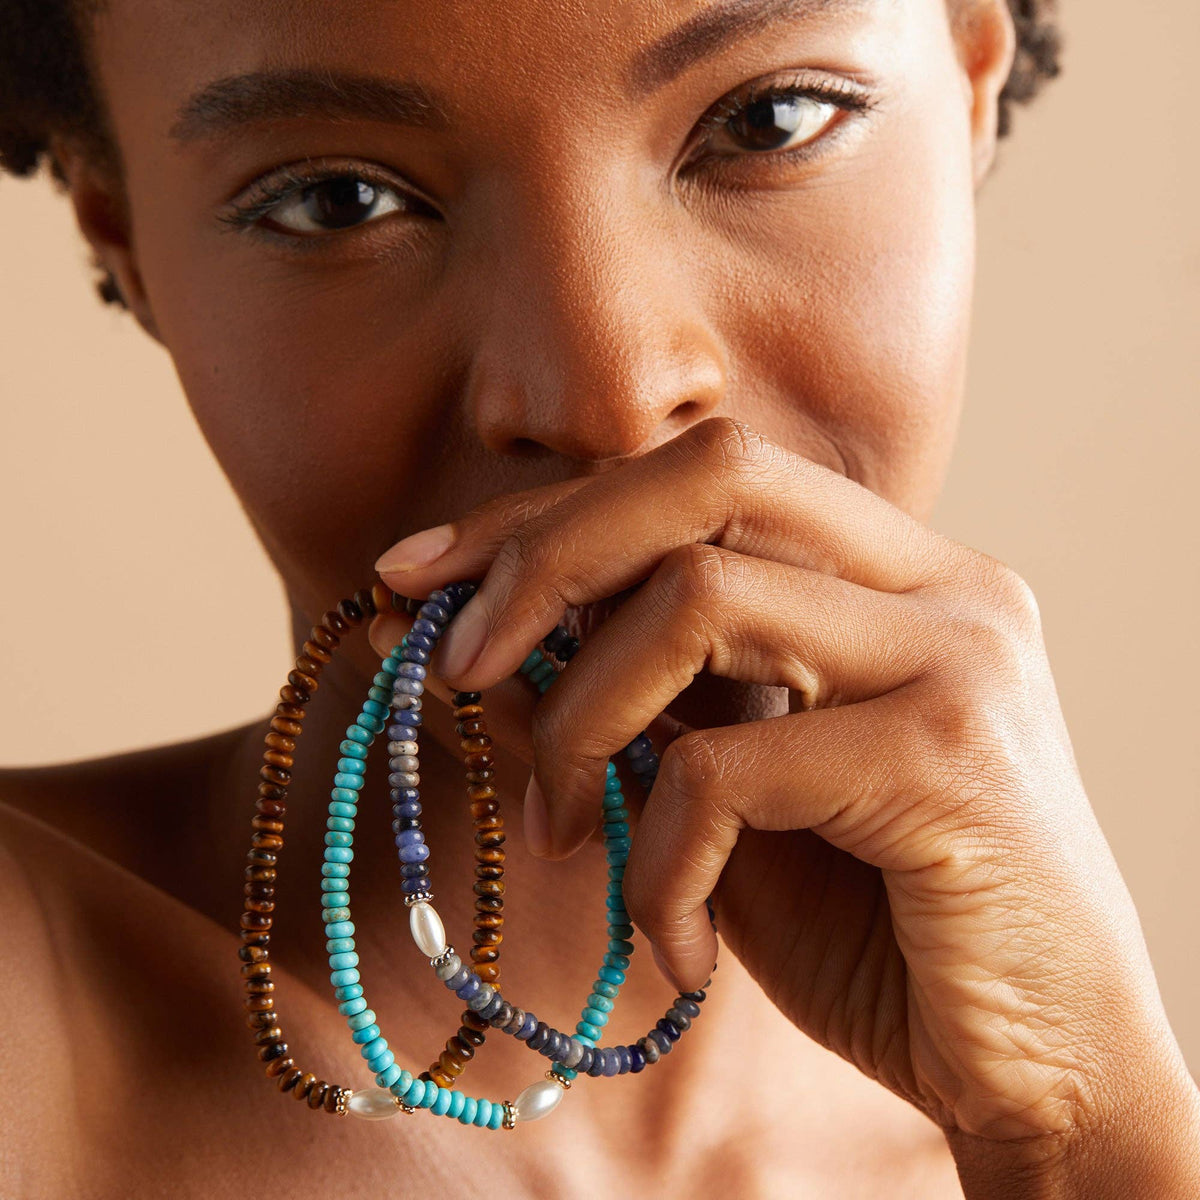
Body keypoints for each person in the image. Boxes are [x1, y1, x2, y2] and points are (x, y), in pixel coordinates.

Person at [2, 0, 1197, 1195]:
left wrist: (1081, 1135)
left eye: (766, 122)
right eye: (339, 200)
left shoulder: (1073, 1121)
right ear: (122, 242)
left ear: (972, 81)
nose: (607, 398)